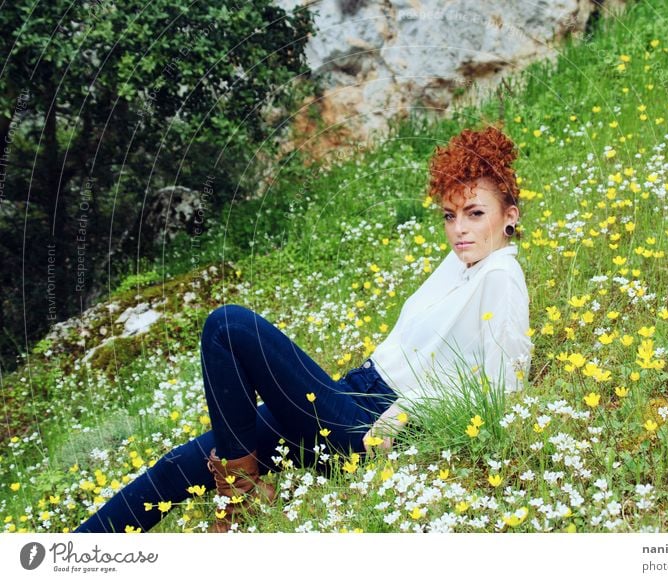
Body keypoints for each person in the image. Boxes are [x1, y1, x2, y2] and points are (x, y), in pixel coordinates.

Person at [72, 124, 532, 534]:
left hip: (368, 426)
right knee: (183, 465)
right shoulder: (465, 264)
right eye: (450, 216)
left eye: (475, 213)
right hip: (350, 397)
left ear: (510, 214)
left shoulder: (500, 276)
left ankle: (241, 493)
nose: (458, 231)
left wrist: (393, 435)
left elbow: (505, 389)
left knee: (227, 325)